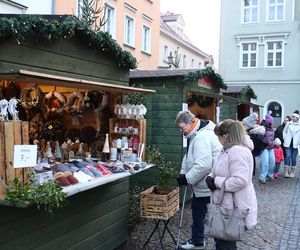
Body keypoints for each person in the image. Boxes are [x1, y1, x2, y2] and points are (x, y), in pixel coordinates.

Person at [205, 119, 257, 250]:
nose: (218, 139)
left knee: (225, 244)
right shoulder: (228, 149)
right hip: (226, 205)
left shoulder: (237, 151)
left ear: (226, 136)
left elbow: (240, 180)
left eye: (219, 136)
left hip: (232, 207)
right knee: (222, 242)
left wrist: (215, 182)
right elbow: (219, 169)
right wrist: (210, 177)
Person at [175, 110, 222, 250]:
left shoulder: (202, 136)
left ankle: (198, 242)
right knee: (199, 213)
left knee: (200, 214)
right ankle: (198, 241)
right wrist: (183, 173)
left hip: (205, 186)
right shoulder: (197, 134)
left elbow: (203, 165)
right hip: (203, 184)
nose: (180, 131)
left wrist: (188, 178)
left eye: (182, 127)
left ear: (190, 123)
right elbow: (188, 156)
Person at [282, 111, 300, 178]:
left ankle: (292, 171)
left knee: (293, 158)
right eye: (292, 117)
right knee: (288, 156)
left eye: (294, 117)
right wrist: (285, 138)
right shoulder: (289, 124)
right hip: (288, 143)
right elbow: (284, 131)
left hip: (296, 144)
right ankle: (286, 171)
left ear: (297, 118)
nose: (292, 118)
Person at [258, 114, 275, 184]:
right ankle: (262, 177)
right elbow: (258, 138)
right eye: (271, 121)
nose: (271, 122)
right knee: (265, 163)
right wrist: (264, 141)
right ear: (268, 121)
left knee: (272, 162)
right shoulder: (262, 128)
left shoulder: (271, 128)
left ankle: (270, 174)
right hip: (264, 147)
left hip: (271, 147)